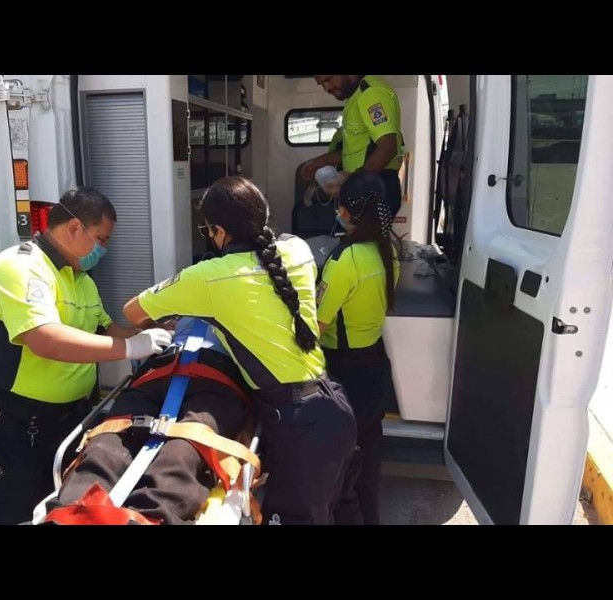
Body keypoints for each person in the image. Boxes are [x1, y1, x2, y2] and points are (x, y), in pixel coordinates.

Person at [122, 176, 357, 525]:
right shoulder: (296, 250)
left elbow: (133, 312)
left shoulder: (209, 276)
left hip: (297, 424)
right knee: (339, 510)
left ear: (218, 231)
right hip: (333, 406)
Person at [0, 186, 172, 525]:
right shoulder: (21, 267)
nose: (103, 249)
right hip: (6, 423)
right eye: (101, 239)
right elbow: (45, 339)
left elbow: (105, 330)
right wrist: (132, 347)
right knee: (5, 509)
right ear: (74, 228)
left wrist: (155, 336)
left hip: (63, 420)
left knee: (56, 504)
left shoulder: (80, 280)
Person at [47, 317, 252, 525]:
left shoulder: (251, 311)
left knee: (182, 451)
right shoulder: (171, 306)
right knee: (107, 444)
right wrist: (154, 327)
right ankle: (71, 513)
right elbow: (136, 316)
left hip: (219, 379)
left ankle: (149, 517)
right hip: (157, 371)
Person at [316, 172, 400, 525]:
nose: (339, 212)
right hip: (375, 365)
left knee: (343, 460)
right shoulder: (389, 251)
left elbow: (319, 322)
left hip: (344, 370)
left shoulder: (344, 259)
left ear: (350, 211)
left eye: (342, 206)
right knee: (369, 456)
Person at [301, 75, 404, 216]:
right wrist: (322, 161)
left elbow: (387, 147)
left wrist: (352, 182)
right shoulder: (356, 96)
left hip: (373, 188)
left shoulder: (370, 93)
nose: (327, 88)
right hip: (363, 189)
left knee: (363, 232)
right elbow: (359, 149)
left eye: (328, 79)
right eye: (322, 84)